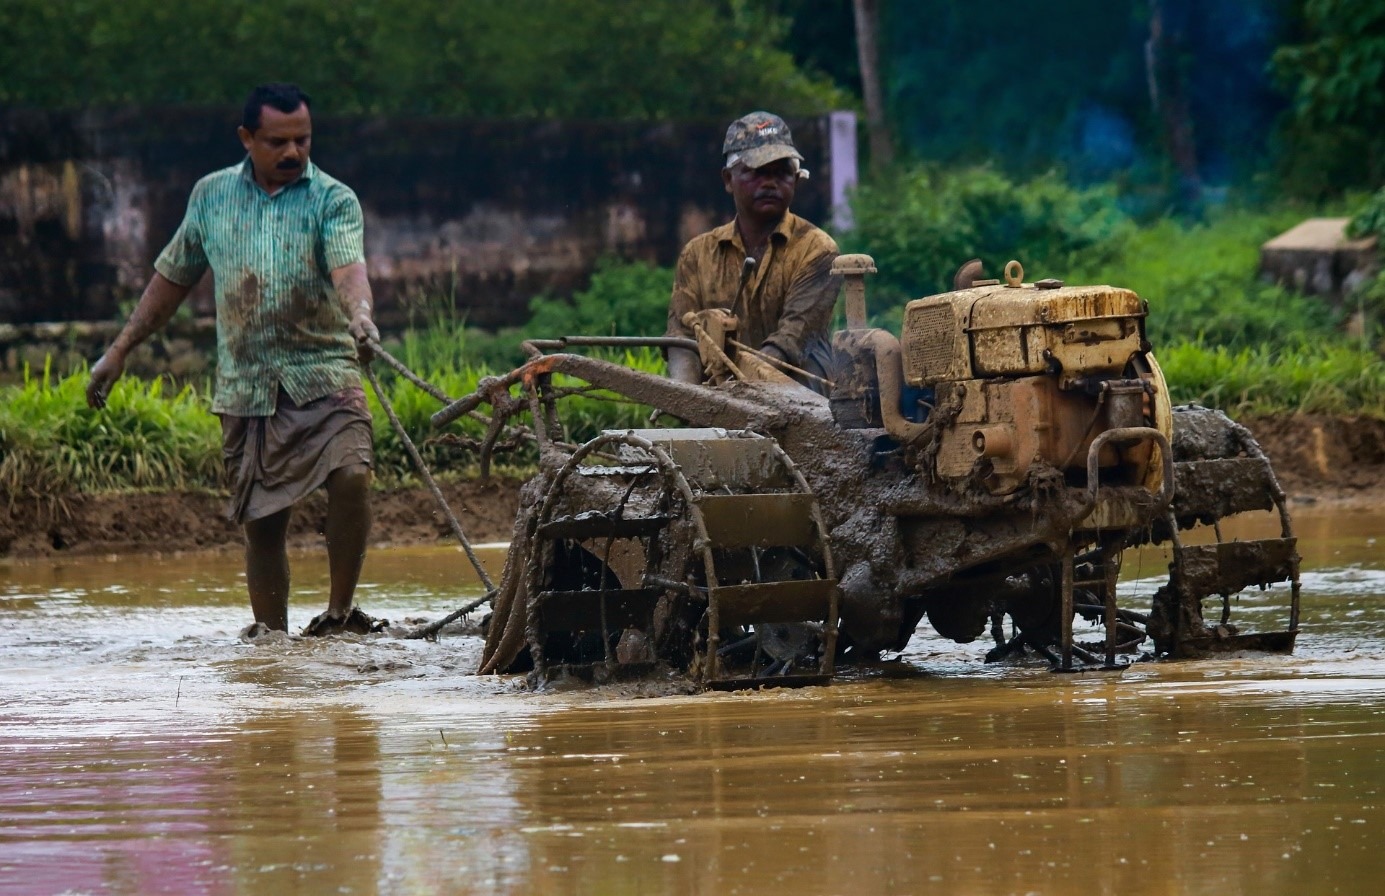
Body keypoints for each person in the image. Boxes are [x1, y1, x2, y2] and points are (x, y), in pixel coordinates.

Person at [85, 83, 382, 638]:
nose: (293, 152)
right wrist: (119, 350)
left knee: (352, 475)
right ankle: (271, 641)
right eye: (278, 142)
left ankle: (340, 616)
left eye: (303, 140)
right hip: (246, 386)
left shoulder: (333, 199)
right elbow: (171, 278)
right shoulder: (211, 196)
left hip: (325, 372)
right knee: (262, 524)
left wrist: (360, 314)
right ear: (247, 138)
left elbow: (349, 268)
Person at [665, 111, 840, 390]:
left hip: (800, 399)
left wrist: (736, 392)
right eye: (757, 172)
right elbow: (681, 341)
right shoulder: (696, 255)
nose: (769, 182)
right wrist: (685, 397)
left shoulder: (818, 249)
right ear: (728, 179)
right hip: (714, 400)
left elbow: (790, 341)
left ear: (796, 180)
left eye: (782, 172)